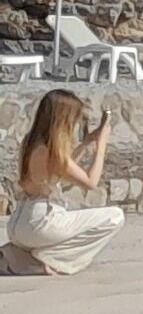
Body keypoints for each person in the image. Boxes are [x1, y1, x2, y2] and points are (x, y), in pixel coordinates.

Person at [8, 89, 123, 277]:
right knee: (115, 216)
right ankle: (51, 259)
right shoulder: (53, 153)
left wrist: (86, 143)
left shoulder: (32, 143)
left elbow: (60, 170)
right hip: (40, 222)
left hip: (19, 223)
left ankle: (20, 255)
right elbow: (90, 182)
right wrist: (101, 147)